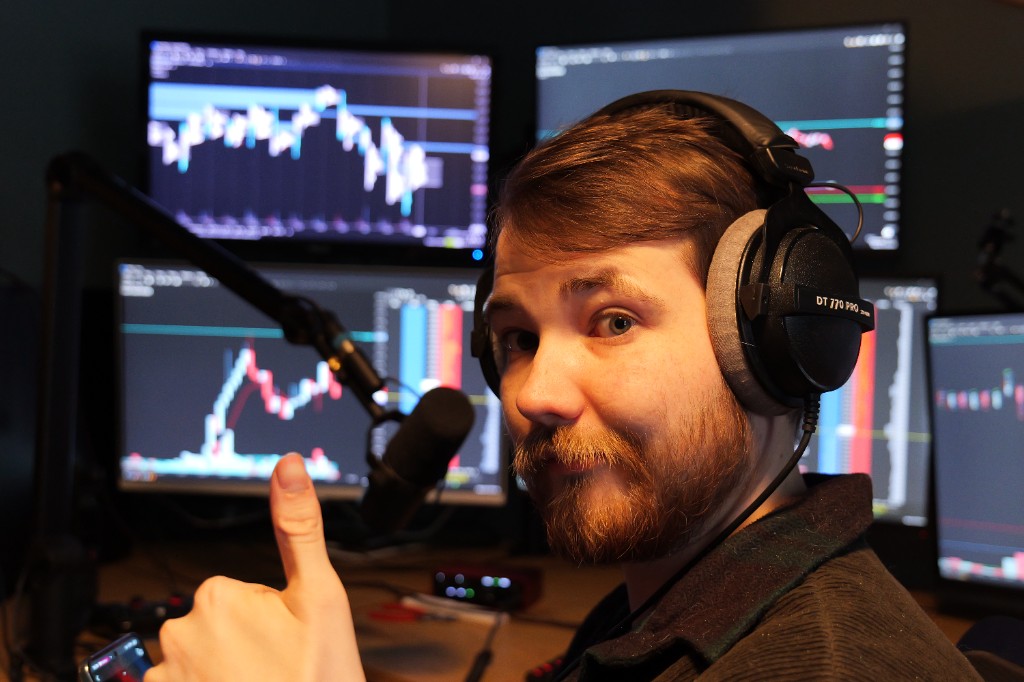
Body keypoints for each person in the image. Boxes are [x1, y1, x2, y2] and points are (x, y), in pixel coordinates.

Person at [146, 93, 982, 681]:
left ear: (776, 335)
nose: (534, 393)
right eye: (515, 338)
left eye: (613, 321)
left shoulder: (822, 667)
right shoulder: (669, 610)